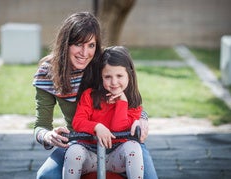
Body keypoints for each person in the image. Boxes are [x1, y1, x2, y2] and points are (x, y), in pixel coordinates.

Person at [33, 12, 158, 179]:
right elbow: (41, 125)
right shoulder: (47, 73)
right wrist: (48, 136)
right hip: (80, 139)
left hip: (120, 139)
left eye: (91, 45)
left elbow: (132, 100)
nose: (85, 53)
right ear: (65, 43)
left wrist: (143, 118)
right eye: (78, 44)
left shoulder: (103, 64)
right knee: (46, 176)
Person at [63, 46, 144, 179]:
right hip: (90, 155)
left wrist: (122, 103)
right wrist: (97, 127)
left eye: (119, 76)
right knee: (73, 151)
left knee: (134, 147)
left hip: (116, 157)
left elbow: (118, 129)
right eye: (107, 77)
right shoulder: (89, 95)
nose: (114, 82)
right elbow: (77, 122)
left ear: (129, 75)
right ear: (101, 77)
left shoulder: (132, 102)